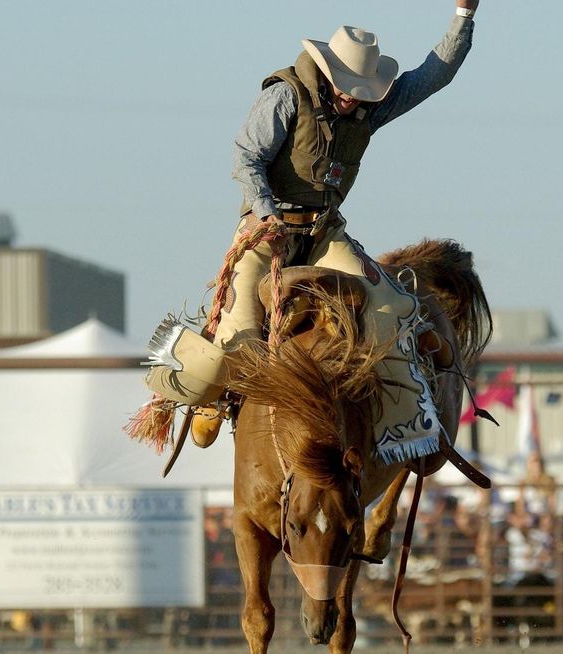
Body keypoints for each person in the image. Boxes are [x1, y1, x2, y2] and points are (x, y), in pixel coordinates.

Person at [145, 1, 481, 462]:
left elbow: (434, 75)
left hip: (325, 234)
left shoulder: (369, 109)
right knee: (239, 333)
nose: (351, 98)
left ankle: (395, 417)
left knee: (393, 304)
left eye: (361, 90)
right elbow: (247, 158)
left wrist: (463, 15)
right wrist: (266, 215)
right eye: (346, 87)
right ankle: (213, 397)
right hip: (267, 235)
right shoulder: (284, 97)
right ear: (327, 73)